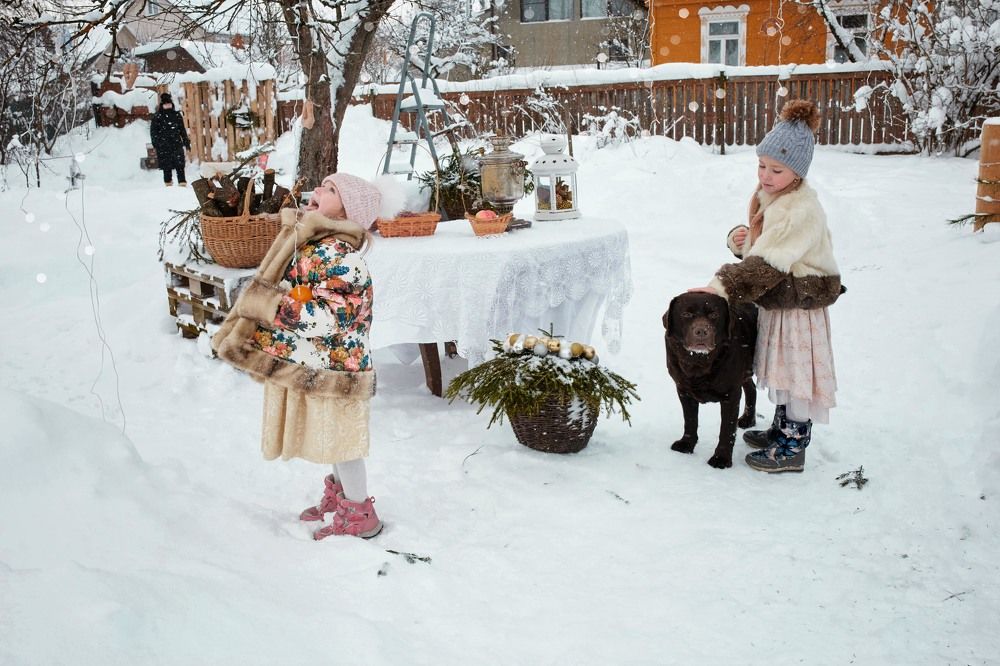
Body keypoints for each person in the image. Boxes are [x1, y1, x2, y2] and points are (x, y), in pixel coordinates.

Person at [212, 173, 402, 539]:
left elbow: (330, 318)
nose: (317, 190)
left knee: (344, 442)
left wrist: (270, 304)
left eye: (331, 190)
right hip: (318, 363)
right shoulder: (314, 244)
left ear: (349, 211)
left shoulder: (342, 257)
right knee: (331, 434)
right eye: (323, 185)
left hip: (339, 368)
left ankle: (361, 514)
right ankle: (343, 495)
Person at [690, 99, 844, 473]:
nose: (765, 175)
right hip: (781, 302)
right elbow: (764, 249)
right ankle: (781, 429)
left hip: (799, 308)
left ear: (798, 173)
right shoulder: (774, 198)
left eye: (777, 169)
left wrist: (722, 285)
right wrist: (740, 240)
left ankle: (793, 446)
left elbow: (768, 263)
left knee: (795, 373)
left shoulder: (799, 209)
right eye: (761, 165)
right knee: (783, 369)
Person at [150, 92, 191, 187]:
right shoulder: (157, 117)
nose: (168, 106)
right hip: (163, 146)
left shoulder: (177, 115)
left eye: (169, 104)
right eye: (166, 104)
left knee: (180, 165)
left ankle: (182, 183)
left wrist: (186, 142)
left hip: (176, 144)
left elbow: (182, 130)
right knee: (166, 166)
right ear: (162, 105)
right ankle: (168, 184)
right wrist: (156, 143)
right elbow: (153, 132)